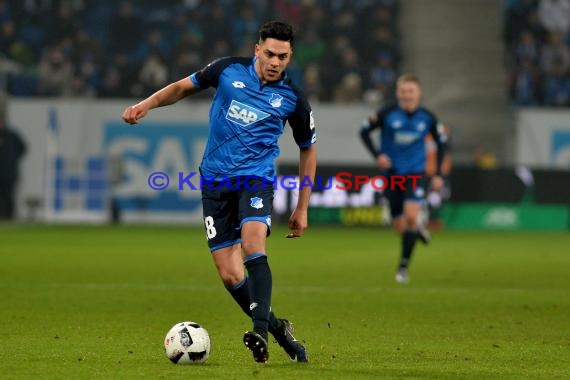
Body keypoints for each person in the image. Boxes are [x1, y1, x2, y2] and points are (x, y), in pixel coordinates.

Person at [122, 21, 316, 363]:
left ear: (290, 57)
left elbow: (307, 149)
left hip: (255, 179)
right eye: (269, 53)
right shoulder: (227, 70)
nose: (275, 62)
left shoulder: (293, 98)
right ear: (257, 50)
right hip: (214, 181)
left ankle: (258, 332)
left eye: (282, 56)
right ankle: (279, 330)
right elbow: (183, 87)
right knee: (230, 274)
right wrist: (147, 104)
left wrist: (302, 207)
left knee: (254, 244)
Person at [359, 74, 446, 284]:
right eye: (404, 91)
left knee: (409, 217)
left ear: (419, 93)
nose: (407, 95)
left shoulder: (428, 118)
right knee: (400, 227)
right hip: (391, 175)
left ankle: (403, 267)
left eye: (411, 91)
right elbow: (363, 132)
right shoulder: (387, 113)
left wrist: (437, 174)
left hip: (416, 174)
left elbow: (442, 143)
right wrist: (377, 155)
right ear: (398, 93)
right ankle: (416, 231)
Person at [0, 94, 27, 220]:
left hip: (9, 173)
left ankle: (9, 219)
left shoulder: (12, 135)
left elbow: (23, 148)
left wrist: (12, 160)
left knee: (9, 197)